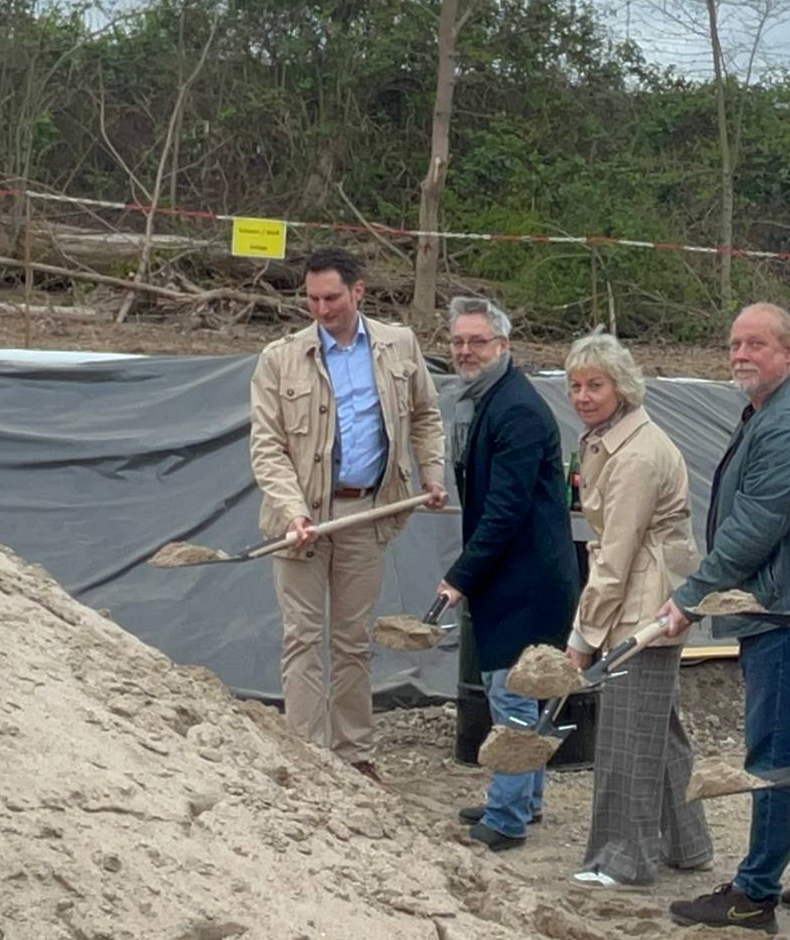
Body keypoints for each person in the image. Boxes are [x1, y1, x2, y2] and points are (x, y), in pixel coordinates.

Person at [660, 303, 790, 932]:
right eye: (734, 345)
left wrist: (692, 593)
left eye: (756, 344)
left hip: (784, 611)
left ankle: (754, 894)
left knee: (772, 752)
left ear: (787, 350)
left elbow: (754, 527)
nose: (742, 355)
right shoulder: (775, 409)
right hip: (785, 603)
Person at [247, 247, 447, 783]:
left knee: (352, 639)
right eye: (311, 298)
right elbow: (267, 448)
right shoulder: (280, 358)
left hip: (368, 513)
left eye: (331, 297)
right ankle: (307, 756)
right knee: (302, 636)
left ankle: (355, 754)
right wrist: (292, 513)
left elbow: (427, 416)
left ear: (358, 292)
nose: (321, 308)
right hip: (302, 519)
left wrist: (432, 473)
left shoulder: (398, 346)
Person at [561, 330, 715, 887]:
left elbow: (615, 559)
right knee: (658, 727)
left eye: (594, 385)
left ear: (621, 388)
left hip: (646, 608)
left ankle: (623, 859)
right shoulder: (605, 441)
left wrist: (581, 639)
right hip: (644, 596)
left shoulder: (637, 456)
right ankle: (690, 844)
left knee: (625, 734)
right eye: (576, 385)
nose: (582, 396)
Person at [435, 296, 578, 851]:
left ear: (504, 346)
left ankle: (509, 817)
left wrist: (460, 575)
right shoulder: (492, 400)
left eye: (478, 342)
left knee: (513, 695)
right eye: (458, 342)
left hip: (525, 577)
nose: (466, 351)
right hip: (520, 572)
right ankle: (524, 798)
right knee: (526, 691)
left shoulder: (514, 408)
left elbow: (505, 508)